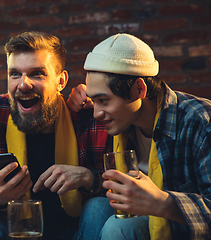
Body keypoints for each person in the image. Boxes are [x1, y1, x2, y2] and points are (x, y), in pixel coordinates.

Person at [66, 33, 211, 239]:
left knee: (117, 228)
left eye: (104, 100)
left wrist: (163, 203)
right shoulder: (121, 124)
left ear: (140, 89)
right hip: (142, 224)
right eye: (93, 100)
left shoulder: (200, 122)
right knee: (100, 209)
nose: (96, 113)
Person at [0, 31, 113, 240]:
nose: (23, 84)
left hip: (75, 230)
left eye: (37, 73)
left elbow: (119, 187)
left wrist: (88, 176)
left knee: (99, 207)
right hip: (20, 229)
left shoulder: (86, 116)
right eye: (14, 74)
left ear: (61, 81)